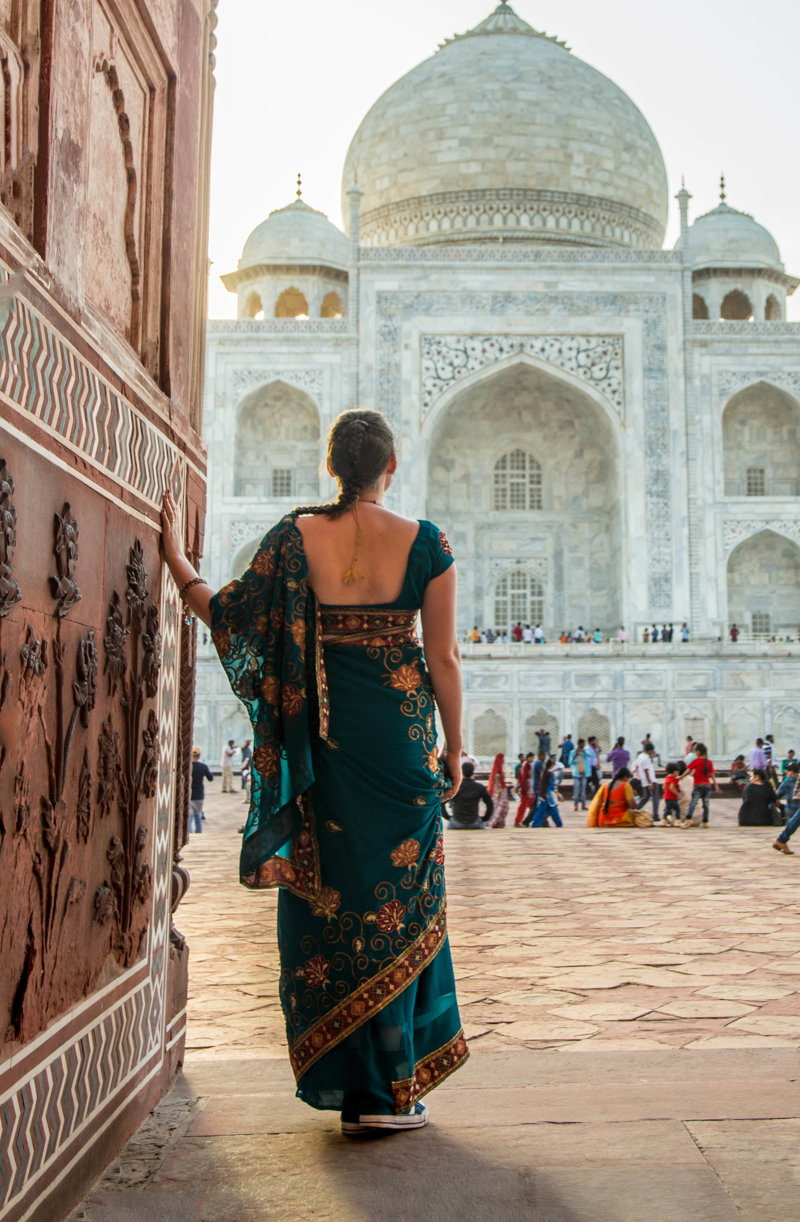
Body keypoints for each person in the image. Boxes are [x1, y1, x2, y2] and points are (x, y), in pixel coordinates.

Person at [161, 408, 468, 1135]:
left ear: (333, 468)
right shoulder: (427, 543)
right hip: (398, 747)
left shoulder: (292, 540)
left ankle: (353, 1086)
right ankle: (393, 1086)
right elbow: (445, 659)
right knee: (401, 904)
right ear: (391, 467)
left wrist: (178, 563)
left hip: (323, 751)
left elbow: (230, 617)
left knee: (331, 900)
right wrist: (454, 748)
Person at [683, 742, 719, 827]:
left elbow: (688, 771)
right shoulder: (709, 762)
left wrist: (681, 777)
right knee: (706, 804)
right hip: (707, 785)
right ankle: (705, 821)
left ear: (698, 752)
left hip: (698, 785)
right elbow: (712, 775)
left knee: (693, 803)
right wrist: (716, 785)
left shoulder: (696, 761)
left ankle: (688, 819)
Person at [448, 761, 492, 829]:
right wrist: (485, 818)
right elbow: (490, 803)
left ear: (461, 772)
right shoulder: (479, 787)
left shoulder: (454, 787)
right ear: (473, 772)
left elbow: (442, 802)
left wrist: (448, 817)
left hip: (457, 822)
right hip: (474, 822)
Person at [529, 758, 563, 827]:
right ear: (552, 765)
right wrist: (558, 794)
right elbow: (550, 786)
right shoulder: (548, 774)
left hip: (543, 796)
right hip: (546, 797)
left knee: (541, 813)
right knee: (552, 812)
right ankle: (559, 825)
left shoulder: (545, 773)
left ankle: (535, 826)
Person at [774, 765, 800, 854]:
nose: (786, 772)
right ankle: (782, 839)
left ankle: (782, 839)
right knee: (797, 819)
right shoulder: (788, 782)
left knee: (797, 819)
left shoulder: (787, 783)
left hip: (791, 810)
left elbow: (776, 796)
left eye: (788, 771)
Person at [190, 746, 214, 833]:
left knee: (189, 818)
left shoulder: (188, 766)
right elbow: (210, 778)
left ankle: (190, 836)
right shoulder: (202, 766)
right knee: (198, 817)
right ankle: (198, 835)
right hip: (199, 795)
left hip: (189, 795)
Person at [634, 742, 660, 821]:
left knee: (645, 797)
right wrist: (650, 783)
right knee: (655, 798)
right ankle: (655, 815)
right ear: (650, 750)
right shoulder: (646, 759)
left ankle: (636, 809)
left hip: (644, 781)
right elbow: (646, 771)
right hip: (651, 780)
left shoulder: (641, 756)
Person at [485, 753, 510, 828]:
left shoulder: (498, 771)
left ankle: (498, 823)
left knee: (501, 808)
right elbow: (497, 785)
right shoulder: (498, 772)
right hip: (499, 794)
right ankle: (494, 822)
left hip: (500, 793)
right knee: (500, 808)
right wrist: (498, 794)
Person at [569, 737, 591, 811]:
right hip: (576, 774)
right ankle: (575, 805)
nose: (582, 746)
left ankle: (583, 804)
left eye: (583, 744)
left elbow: (590, 755)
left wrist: (583, 751)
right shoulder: (572, 752)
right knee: (576, 789)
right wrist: (575, 755)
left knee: (583, 790)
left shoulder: (585, 752)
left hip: (584, 773)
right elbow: (570, 763)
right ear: (579, 744)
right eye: (581, 744)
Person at [514, 752, 535, 825]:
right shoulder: (527, 765)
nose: (533, 759)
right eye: (532, 757)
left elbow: (520, 776)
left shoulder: (523, 765)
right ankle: (518, 821)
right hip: (527, 788)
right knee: (525, 805)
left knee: (531, 804)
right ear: (528, 757)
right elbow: (524, 777)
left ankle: (525, 820)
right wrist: (524, 788)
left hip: (525, 787)